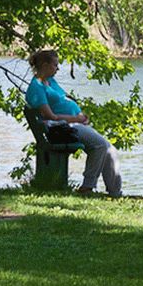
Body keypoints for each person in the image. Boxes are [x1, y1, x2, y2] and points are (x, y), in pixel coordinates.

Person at [25, 49, 122, 197]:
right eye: (55, 65)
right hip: (62, 128)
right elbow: (50, 116)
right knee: (100, 145)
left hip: (74, 124)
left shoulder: (50, 82)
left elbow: (65, 100)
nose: (58, 68)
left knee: (110, 150)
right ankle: (87, 187)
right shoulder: (36, 87)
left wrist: (80, 115)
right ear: (45, 65)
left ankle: (115, 193)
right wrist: (77, 119)